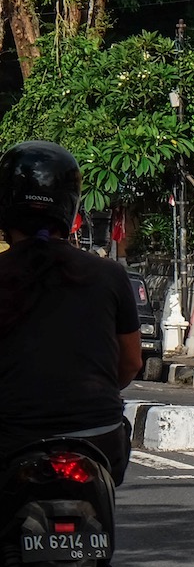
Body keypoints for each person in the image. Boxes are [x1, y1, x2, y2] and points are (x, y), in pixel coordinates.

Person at [0, 141, 142, 486]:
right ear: (70, 205)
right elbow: (130, 363)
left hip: (12, 437)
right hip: (100, 436)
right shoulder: (111, 275)